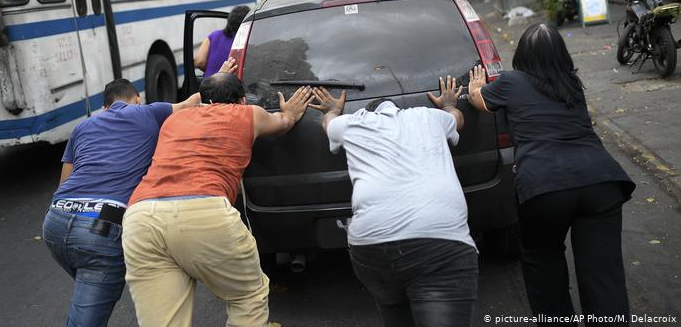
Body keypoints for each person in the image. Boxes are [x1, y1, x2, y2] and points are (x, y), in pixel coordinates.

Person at [463, 23, 635, 325]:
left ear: (523, 56)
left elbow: (480, 103)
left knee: (543, 265)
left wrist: (476, 87)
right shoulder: (571, 85)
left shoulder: (511, 81)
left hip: (545, 187)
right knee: (602, 273)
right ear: (560, 55)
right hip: (601, 182)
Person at [121, 71, 314, 326]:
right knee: (248, 295)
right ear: (243, 101)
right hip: (204, 210)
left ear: (203, 98)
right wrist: (289, 111)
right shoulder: (248, 114)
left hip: (141, 218)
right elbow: (284, 121)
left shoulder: (174, 120)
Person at [309, 80, 478, 327]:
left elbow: (328, 124)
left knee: (394, 311)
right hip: (440, 242)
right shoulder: (429, 116)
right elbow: (458, 119)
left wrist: (332, 110)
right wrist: (450, 104)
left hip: (370, 246)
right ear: (398, 109)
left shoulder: (352, 123)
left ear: (368, 112)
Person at [42, 79, 202, 326]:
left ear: (104, 107)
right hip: (101, 231)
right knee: (87, 313)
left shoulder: (82, 127)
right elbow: (192, 103)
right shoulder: (149, 111)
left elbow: (64, 183)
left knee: (86, 291)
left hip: (56, 222)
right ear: (137, 98)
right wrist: (221, 72)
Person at [194, 5, 250, 77]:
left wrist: (214, 73)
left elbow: (199, 62)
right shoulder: (246, 40)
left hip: (208, 84)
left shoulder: (214, 35)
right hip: (229, 85)